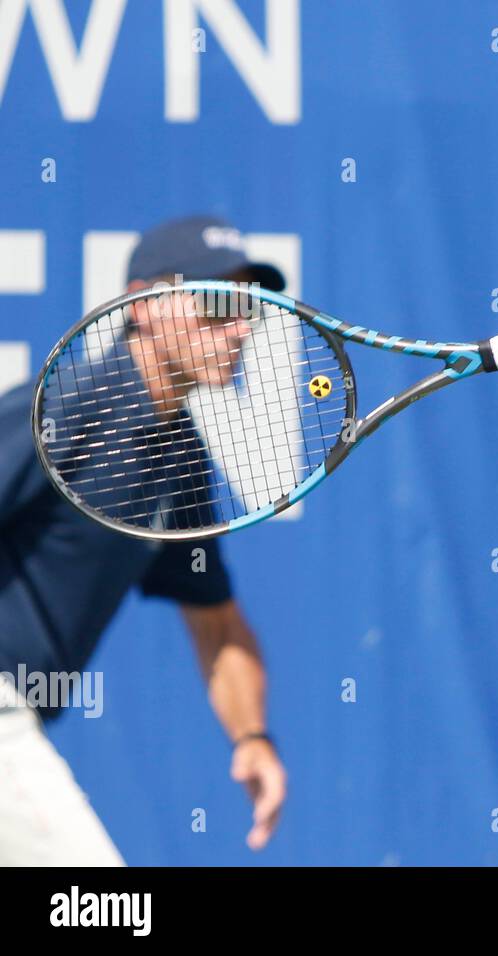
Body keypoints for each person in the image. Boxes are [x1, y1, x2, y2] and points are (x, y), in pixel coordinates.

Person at [0, 215, 289, 865]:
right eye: (217, 305)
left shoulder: (182, 455)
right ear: (146, 306)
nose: (239, 329)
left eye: (248, 310)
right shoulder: (62, 408)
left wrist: (252, 736)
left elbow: (217, 624)